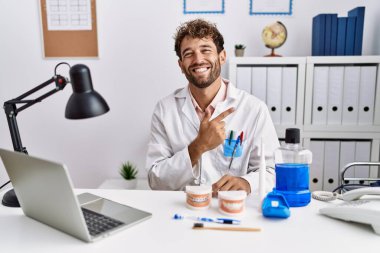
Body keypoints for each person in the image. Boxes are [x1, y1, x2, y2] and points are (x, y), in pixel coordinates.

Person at [146, 19, 279, 195]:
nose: (198, 60)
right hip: (181, 209)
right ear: (181, 65)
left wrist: (246, 183)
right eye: (188, 54)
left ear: (222, 56)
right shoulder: (165, 109)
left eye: (205, 50)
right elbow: (155, 180)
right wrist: (198, 146)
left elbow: (272, 172)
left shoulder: (254, 109)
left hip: (232, 210)